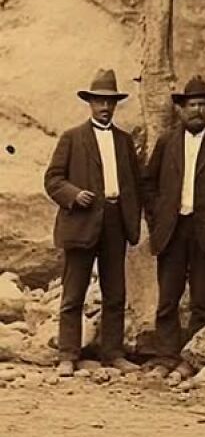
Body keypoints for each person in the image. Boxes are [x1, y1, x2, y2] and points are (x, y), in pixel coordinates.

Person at [143, 75, 205, 383]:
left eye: (202, 104)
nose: (197, 110)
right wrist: (157, 217)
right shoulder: (167, 143)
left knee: (201, 300)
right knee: (168, 299)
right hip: (173, 230)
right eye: (191, 105)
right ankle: (165, 357)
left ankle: (192, 359)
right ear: (181, 109)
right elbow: (148, 183)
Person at [44, 69, 142, 377]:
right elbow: (52, 180)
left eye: (110, 102)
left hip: (115, 221)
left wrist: (130, 218)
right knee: (74, 293)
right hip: (82, 221)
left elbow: (134, 185)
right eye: (99, 101)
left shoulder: (125, 141)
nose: (104, 107)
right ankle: (67, 354)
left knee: (115, 293)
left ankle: (113, 354)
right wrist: (74, 195)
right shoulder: (72, 138)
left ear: (115, 105)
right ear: (90, 103)